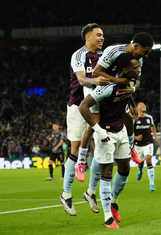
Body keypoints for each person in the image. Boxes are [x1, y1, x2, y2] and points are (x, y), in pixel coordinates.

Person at [81, 32, 154, 213]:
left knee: (129, 118)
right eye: (145, 52)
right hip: (97, 90)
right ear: (135, 46)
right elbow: (96, 73)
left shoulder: (139, 61)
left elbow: (136, 82)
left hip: (117, 93)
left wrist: (130, 89)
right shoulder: (113, 51)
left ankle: (129, 147)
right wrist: (117, 81)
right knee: (95, 129)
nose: (145, 56)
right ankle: (80, 162)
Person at [79, 53, 140, 228]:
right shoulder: (107, 87)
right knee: (106, 174)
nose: (139, 69)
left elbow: (127, 95)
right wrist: (99, 131)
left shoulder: (128, 83)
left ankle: (113, 202)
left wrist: (133, 103)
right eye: (136, 68)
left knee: (125, 169)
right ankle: (107, 218)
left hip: (120, 132)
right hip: (105, 134)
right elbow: (84, 107)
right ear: (125, 70)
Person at [59, 23, 109, 216]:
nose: (102, 38)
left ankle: (90, 192)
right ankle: (66, 194)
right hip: (78, 107)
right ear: (88, 37)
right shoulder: (79, 55)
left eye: (103, 35)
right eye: (99, 35)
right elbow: (81, 79)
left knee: (102, 150)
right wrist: (97, 80)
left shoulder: (104, 56)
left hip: (98, 107)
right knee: (76, 148)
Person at [134, 102, 159, 191]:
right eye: (141, 105)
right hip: (138, 145)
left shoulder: (149, 117)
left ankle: (152, 184)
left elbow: (153, 126)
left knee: (148, 161)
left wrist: (155, 136)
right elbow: (129, 132)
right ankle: (140, 170)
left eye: (144, 105)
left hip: (148, 142)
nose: (144, 106)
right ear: (137, 108)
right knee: (140, 163)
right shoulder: (134, 119)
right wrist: (136, 137)